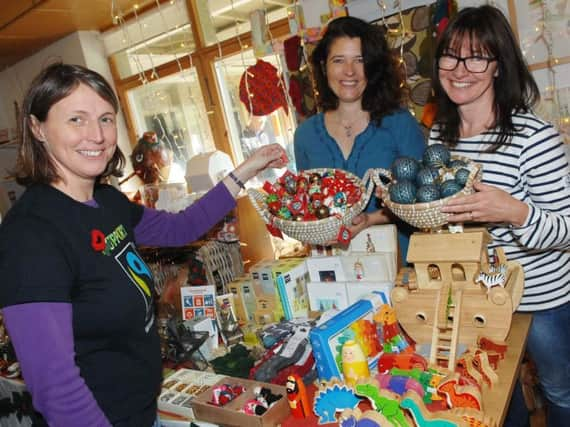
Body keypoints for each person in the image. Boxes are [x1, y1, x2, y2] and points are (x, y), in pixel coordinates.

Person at [0, 63, 287, 427]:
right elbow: (55, 387)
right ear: (37, 127)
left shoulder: (107, 202)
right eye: (77, 119)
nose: (97, 134)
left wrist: (247, 169)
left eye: (106, 119)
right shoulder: (31, 235)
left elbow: (182, 228)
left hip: (143, 410)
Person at [429, 6, 570, 426]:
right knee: (491, 395)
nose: (460, 69)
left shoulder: (533, 137)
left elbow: (566, 228)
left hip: (542, 298)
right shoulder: (440, 135)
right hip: (477, 297)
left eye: (476, 57)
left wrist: (515, 212)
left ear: (497, 66)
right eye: (450, 55)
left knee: (561, 391)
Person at [293, 16, 425, 260]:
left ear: (373, 67)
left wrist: (372, 219)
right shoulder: (305, 135)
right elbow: (309, 209)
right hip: (334, 275)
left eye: (360, 60)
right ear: (324, 66)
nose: (349, 71)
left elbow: (423, 199)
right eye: (338, 60)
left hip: (402, 268)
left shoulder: (399, 123)